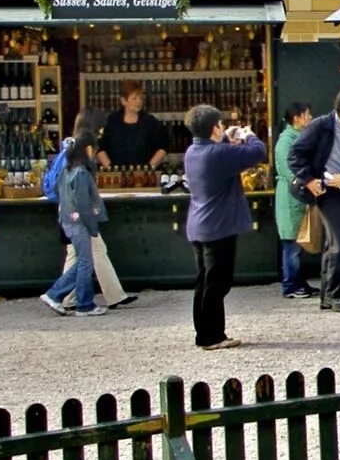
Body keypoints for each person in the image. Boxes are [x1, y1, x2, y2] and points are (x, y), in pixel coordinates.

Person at [183, 104, 266, 350]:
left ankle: (207, 332)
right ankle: (211, 336)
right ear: (215, 128)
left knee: (204, 281)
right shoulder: (218, 154)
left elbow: (224, 155)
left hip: (199, 225)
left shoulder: (192, 151)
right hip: (218, 226)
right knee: (218, 282)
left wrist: (226, 141)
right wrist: (247, 134)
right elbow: (257, 151)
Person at [287, 87, 340, 311]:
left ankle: (327, 296)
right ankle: (336, 295)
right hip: (324, 191)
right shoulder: (320, 126)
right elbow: (295, 155)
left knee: (333, 242)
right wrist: (309, 179)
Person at [41, 118, 110, 317]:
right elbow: (83, 204)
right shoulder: (81, 173)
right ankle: (76, 301)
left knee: (83, 261)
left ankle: (75, 300)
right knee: (85, 263)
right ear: (88, 150)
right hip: (79, 222)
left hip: (67, 220)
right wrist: (93, 226)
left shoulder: (67, 169)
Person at [271, 101, 315, 299]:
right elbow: (289, 171)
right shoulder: (285, 141)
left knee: (299, 242)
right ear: (297, 117)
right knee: (291, 243)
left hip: (300, 195)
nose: (310, 118)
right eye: (307, 114)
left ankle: (299, 282)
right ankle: (290, 285)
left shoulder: (299, 137)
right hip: (291, 195)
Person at [96, 80, 169, 173]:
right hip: (116, 176)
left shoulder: (151, 122)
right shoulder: (111, 122)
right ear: (123, 101)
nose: (139, 102)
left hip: (145, 177)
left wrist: (148, 169)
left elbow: (162, 148)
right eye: (134, 98)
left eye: (141, 98)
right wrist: (110, 169)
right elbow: (100, 148)